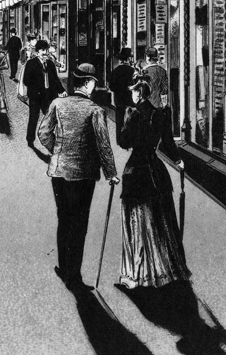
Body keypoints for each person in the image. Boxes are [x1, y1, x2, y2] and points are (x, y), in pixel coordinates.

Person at [38, 63, 119, 294]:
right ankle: (74, 274)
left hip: (59, 171)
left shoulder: (57, 104)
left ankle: (64, 267)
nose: (94, 86)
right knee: (79, 223)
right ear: (88, 83)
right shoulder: (95, 110)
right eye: (93, 82)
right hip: (83, 174)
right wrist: (111, 173)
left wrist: (57, 151)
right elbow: (104, 145)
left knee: (64, 218)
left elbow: (43, 133)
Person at [118, 77, 190, 289]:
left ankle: (136, 275)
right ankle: (167, 269)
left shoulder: (133, 115)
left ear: (138, 94)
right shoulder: (159, 115)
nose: (131, 95)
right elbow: (168, 142)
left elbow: (124, 142)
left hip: (136, 171)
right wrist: (178, 161)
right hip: (156, 172)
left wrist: (126, 121)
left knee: (137, 221)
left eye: (133, 92)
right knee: (160, 220)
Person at [22, 39, 66, 147]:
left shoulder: (50, 64)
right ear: (37, 52)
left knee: (51, 117)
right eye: (43, 50)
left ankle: (52, 139)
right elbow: (26, 81)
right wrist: (37, 87)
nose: (45, 53)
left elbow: (55, 79)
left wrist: (62, 91)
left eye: (46, 50)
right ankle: (30, 139)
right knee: (34, 117)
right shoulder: (31, 64)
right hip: (35, 96)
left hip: (48, 96)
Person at [109, 47, 135, 146]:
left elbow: (111, 86)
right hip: (130, 99)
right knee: (131, 119)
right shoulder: (132, 71)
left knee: (119, 120)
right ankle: (130, 140)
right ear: (128, 59)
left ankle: (119, 140)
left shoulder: (115, 71)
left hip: (119, 99)